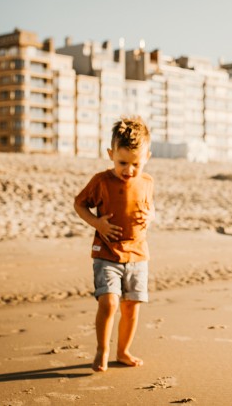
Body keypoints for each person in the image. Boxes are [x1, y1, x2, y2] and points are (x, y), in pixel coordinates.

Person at [74, 116, 155, 372]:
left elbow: (150, 208)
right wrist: (97, 224)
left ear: (147, 158)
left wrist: (150, 216)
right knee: (108, 302)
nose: (129, 170)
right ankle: (103, 349)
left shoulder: (147, 182)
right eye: (122, 163)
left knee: (132, 306)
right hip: (106, 253)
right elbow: (80, 204)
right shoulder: (101, 181)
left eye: (135, 164)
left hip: (138, 254)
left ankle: (123, 351)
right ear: (110, 154)